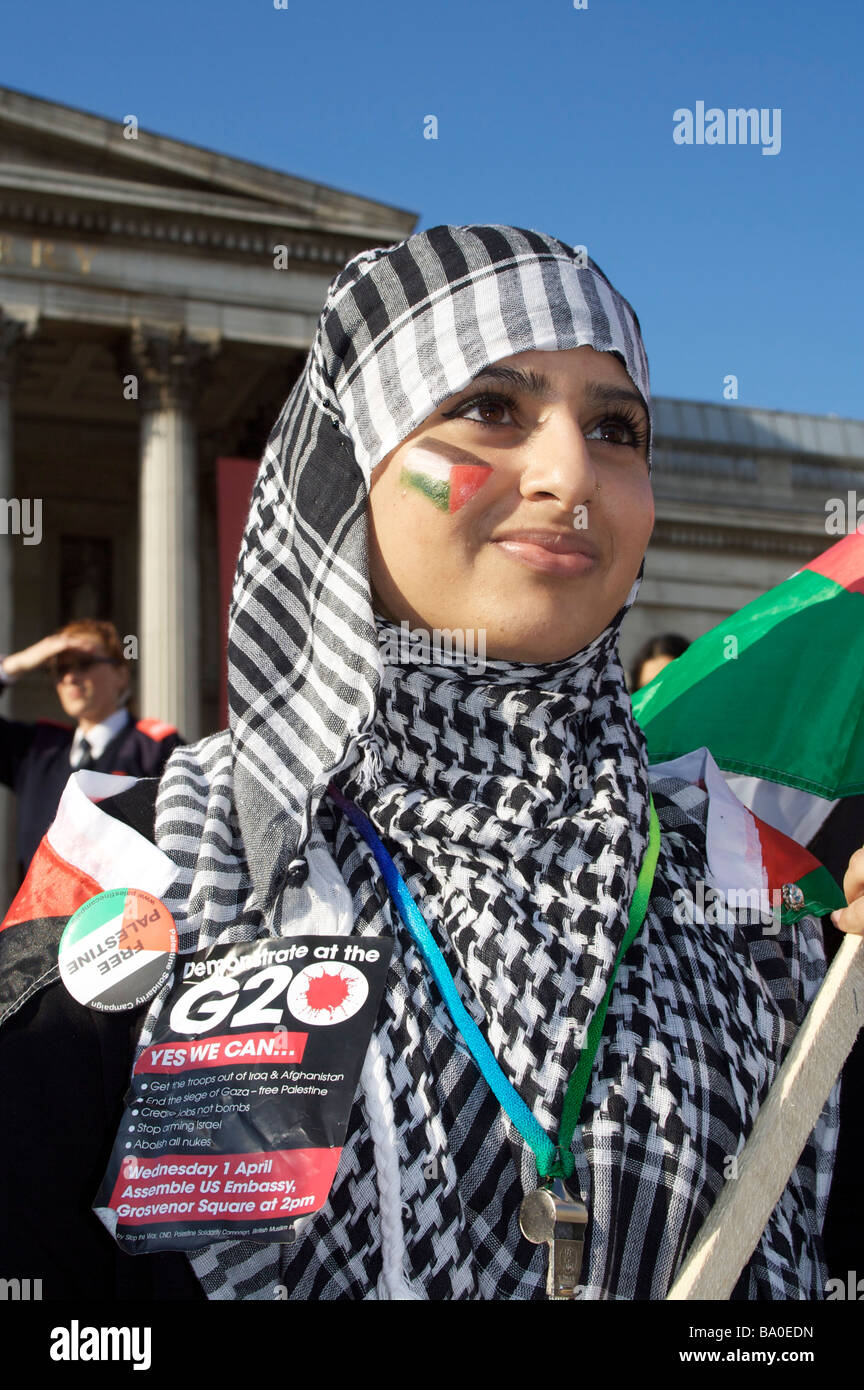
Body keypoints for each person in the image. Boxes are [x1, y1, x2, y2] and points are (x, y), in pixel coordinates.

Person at [1, 225, 862, 1302]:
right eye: (488, 408)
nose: (568, 473)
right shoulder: (131, 857)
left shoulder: (765, 882)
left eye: (616, 428)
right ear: (353, 468)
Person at [0, 620, 183, 882]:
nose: (70, 677)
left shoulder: (156, 747)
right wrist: (13, 666)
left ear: (121, 673)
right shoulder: (37, 750)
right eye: (60, 668)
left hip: (129, 916)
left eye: (84, 664)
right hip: (42, 918)